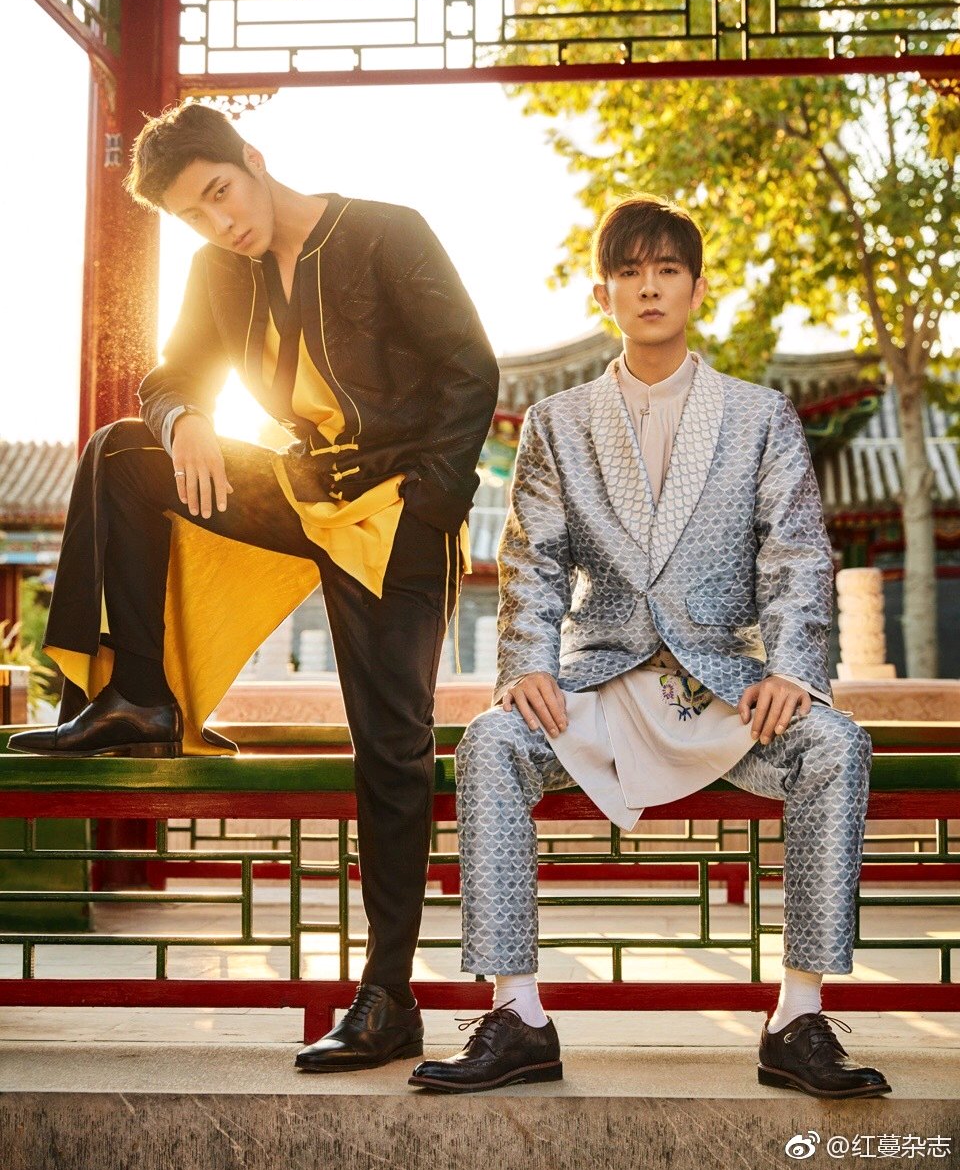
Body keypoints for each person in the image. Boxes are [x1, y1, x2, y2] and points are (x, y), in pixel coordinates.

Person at [10, 101, 500, 1074]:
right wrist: (186, 415)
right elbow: (171, 374)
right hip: (300, 491)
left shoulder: (386, 232)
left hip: (397, 511)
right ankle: (139, 697)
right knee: (124, 453)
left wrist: (432, 507)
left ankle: (389, 997)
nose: (220, 221)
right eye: (195, 214)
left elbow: (469, 369)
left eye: (220, 192)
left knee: (391, 748)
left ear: (252, 157)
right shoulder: (215, 271)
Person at [410, 196, 891, 1099]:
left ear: (698, 289)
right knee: (492, 742)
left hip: (725, 684)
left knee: (836, 743)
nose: (649, 286)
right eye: (629, 271)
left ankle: (798, 1016)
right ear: (603, 294)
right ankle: (517, 1014)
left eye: (668, 269)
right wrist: (527, 664)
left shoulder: (760, 416)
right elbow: (533, 557)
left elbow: (794, 550)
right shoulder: (557, 421)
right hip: (602, 678)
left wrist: (792, 667)